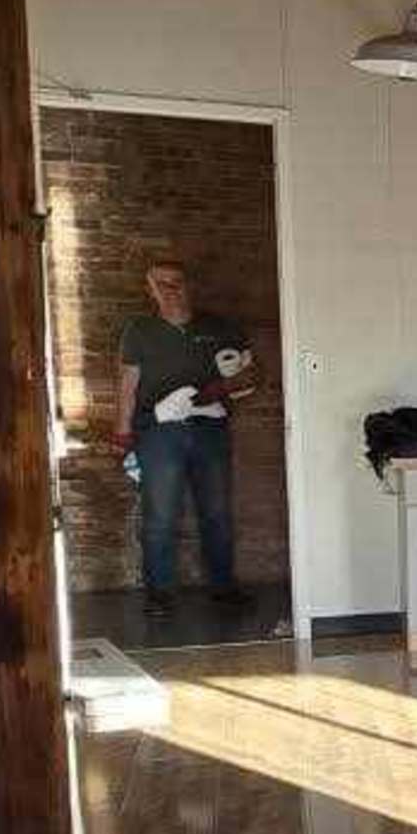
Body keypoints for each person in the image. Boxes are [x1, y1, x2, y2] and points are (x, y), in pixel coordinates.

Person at [114, 256, 262, 612]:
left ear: (188, 284)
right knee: (161, 514)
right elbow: (127, 383)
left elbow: (252, 375)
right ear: (150, 290)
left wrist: (213, 391)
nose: (171, 290)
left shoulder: (220, 326)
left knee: (217, 511)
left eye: (176, 281)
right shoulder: (139, 330)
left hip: (210, 428)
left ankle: (223, 588)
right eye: (161, 284)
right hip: (158, 432)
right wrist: (121, 431)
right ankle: (160, 594)